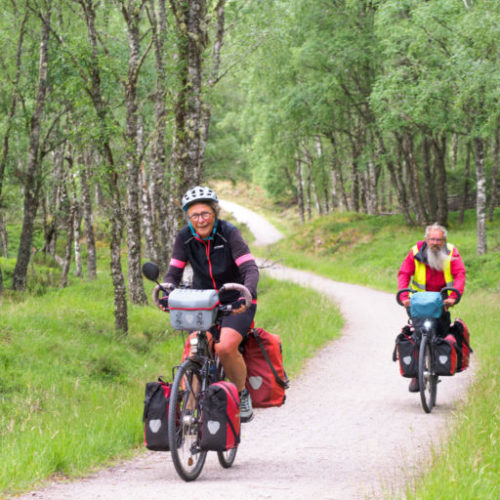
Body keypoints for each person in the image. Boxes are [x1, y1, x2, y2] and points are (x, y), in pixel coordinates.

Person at [162, 186, 259, 422]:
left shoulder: (229, 233)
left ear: (215, 213)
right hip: (203, 302)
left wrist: (246, 294)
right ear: (188, 217)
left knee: (224, 347)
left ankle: (242, 393)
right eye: (195, 215)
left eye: (205, 213)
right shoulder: (184, 237)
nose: (201, 219)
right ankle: (187, 417)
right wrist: (166, 294)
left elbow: (249, 268)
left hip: (236, 299)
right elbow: (173, 273)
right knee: (195, 349)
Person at [398, 223, 466, 392]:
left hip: (441, 301)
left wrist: (453, 296)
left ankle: (438, 365)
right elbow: (404, 273)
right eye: (432, 239)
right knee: (417, 334)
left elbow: (459, 274)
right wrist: (404, 297)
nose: (435, 242)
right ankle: (416, 374)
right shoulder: (415, 252)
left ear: (444, 241)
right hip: (419, 302)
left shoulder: (451, 252)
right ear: (426, 239)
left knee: (442, 334)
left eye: (439, 239)